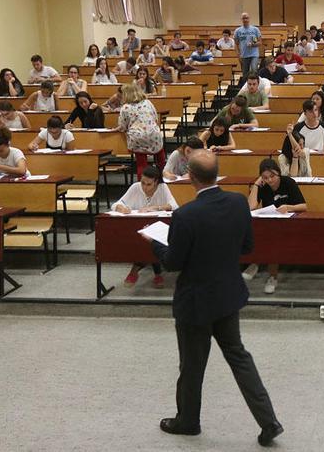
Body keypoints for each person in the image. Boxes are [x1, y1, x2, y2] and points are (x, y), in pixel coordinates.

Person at [146, 149, 283, 445]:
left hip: (195, 302)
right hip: (227, 294)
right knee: (239, 357)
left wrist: (156, 243)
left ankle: (187, 421)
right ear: (217, 173)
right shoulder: (236, 202)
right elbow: (246, 246)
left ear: (191, 177)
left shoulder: (185, 215)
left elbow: (172, 262)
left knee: (192, 364)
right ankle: (269, 420)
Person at [243, 158, 308, 294]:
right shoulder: (262, 186)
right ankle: (255, 263)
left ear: (278, 173)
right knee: (253, 228)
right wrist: (256, 185)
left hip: (289, 222)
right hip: (270, 222)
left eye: (272, 176)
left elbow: (304, 206)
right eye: (265, 178)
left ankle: (272, 276)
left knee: (272, 237)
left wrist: (288, 207)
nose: (270, 180)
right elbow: (251, 207)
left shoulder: (288, 182)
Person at [111, 165, 176, 288]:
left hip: (158, 227)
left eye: (148, 184)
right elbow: (116, 204)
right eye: (143, 183)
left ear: (156, 182)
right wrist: (122, 208)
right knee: (139, 240)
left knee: (153, 241)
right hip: (138, 227)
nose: (144, 187)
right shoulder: (135, 187)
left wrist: (155, 207)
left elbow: (174, 205)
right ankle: (156, 273)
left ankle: (137, 270)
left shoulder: (163, 188)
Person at [118, 83, 164, 177]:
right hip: (153, 133)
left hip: (137, 137)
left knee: (141, 164)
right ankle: (162, 176)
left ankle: (142, 186)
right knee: (160, 157)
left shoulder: (125, 107)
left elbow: (122, 127)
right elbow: (156, 118)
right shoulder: (147, 102)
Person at [234, 13, 262, 87]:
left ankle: (256, 86)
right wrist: (238, 55)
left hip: (254, 54)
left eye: (246, 18)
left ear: (249, 19)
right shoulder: (238, 31)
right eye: (243, 18)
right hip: (244, 55)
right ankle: (246, 88)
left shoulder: (255, 29)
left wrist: (253, 44)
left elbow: (260, 42)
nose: (245, 20)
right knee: (245, 73)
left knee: (254, 70)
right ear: (241, 20)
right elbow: (236, 44)